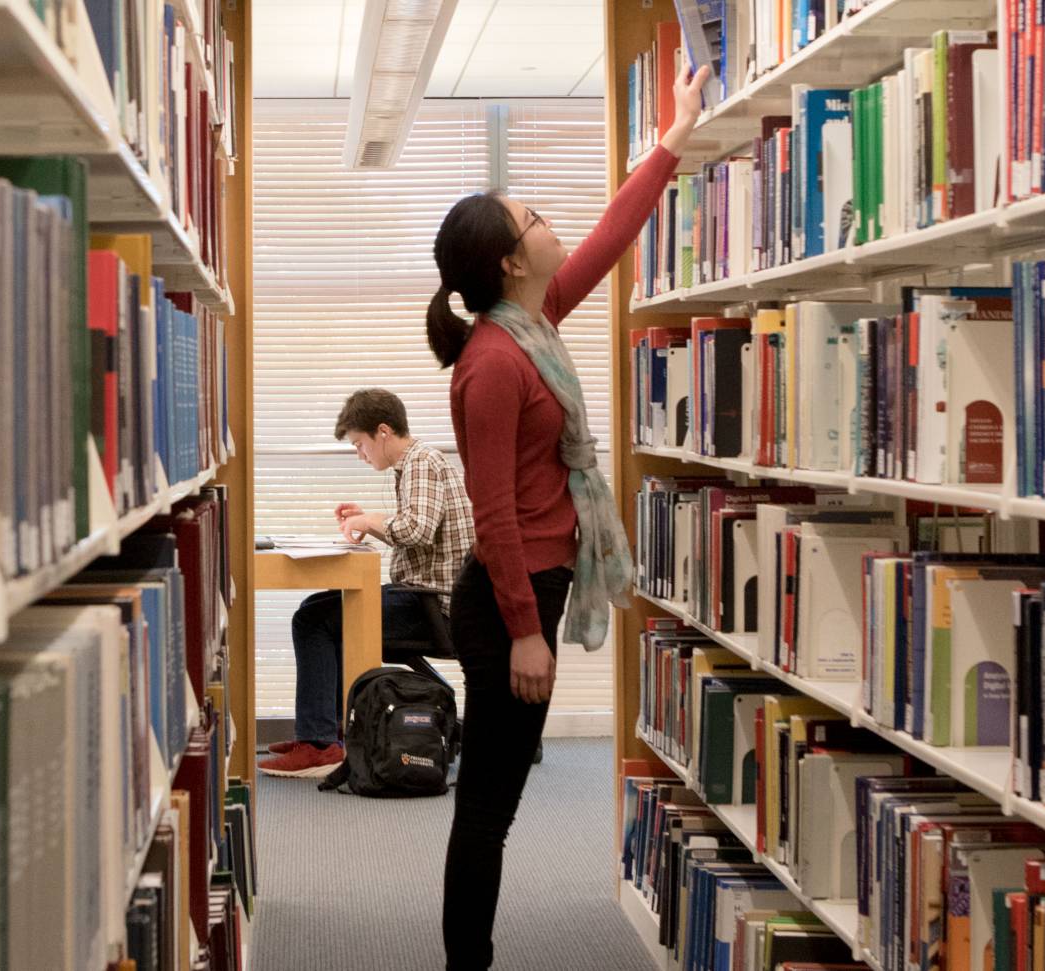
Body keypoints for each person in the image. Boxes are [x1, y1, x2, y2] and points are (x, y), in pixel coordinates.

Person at [426, 64, 711, 970]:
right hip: (507, 597)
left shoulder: (536, 318)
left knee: (499, 796)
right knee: (491, 804)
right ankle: (466, 958)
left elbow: (611, 237)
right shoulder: (494, 363)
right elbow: (494, 513)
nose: (550, 225)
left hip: (536, 587)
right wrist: (523, 631)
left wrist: (672, 137)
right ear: (509, 259)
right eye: (532, 218)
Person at [258, 388, 474, 778]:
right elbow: (419, 530)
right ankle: (331, 733)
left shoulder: (422, 462)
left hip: (432, 606)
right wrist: (368, 518)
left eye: (360, 444)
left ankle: (321, 743)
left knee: (315, 621)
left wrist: (368, 522)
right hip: (423, 595)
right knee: (317, 609)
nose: (360, 454)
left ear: (383, 432)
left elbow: (418, 529)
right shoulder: (416, 464)